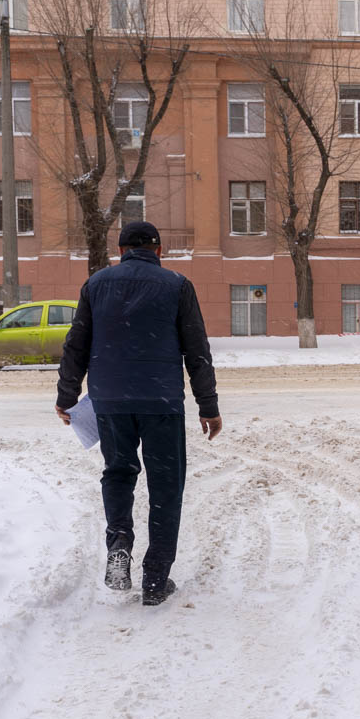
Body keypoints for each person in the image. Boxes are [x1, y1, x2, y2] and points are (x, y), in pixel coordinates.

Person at [55, 221, 222, 605]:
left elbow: (75, 344)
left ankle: (119, 543)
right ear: (159, 250)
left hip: (110, 400)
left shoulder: (96, 285)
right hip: (160, 401)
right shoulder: (177, 285)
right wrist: (208, 406)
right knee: (165, 485)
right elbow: (196, 350)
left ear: (121, 251)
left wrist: (67, 395)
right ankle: (155, 579)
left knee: (118, 473)